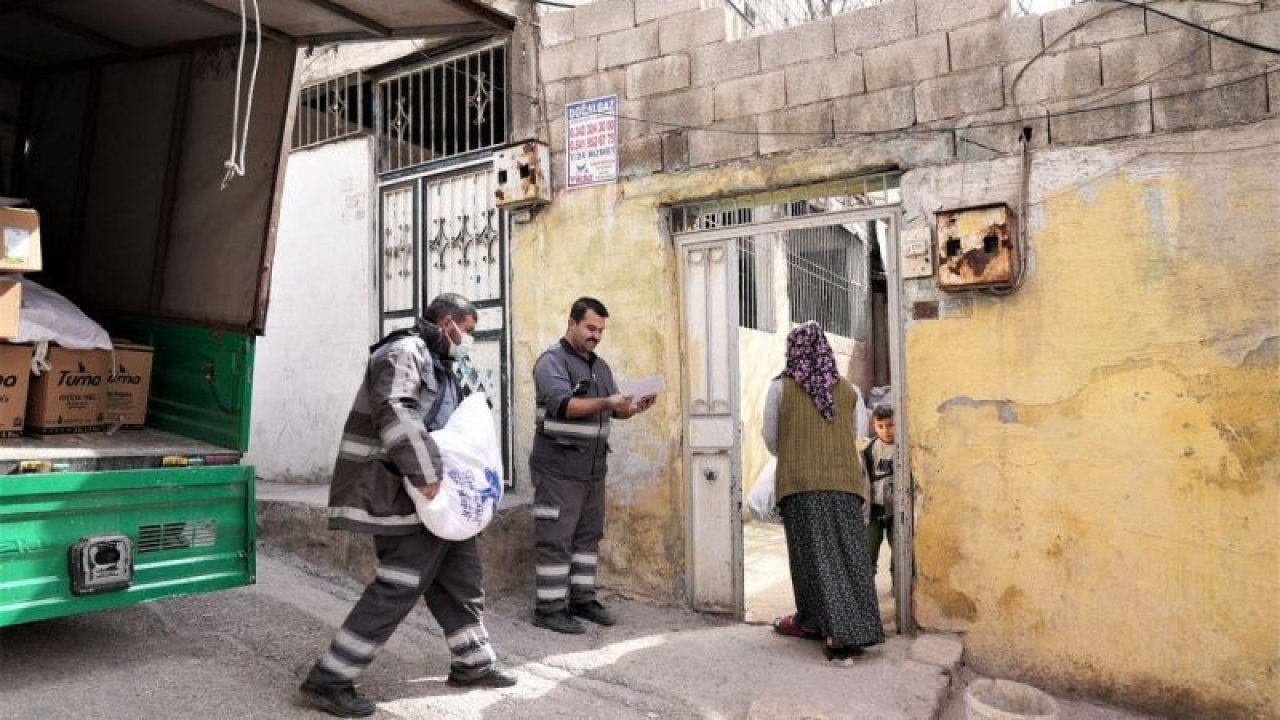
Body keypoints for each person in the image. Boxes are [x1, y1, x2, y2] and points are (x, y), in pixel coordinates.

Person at [300, 293, 516, 718]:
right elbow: (396, 411)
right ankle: (330, 679)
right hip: (403, 491)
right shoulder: (403, 352)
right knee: (400, 584)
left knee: (461, 576)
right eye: (467, 330)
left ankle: (473, 662)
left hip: (436, 499)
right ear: (446, 321)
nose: (468, 340)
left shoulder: (447, 364)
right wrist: (427, 474)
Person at [529, 297, 655, 634]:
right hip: (557, 469)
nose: (596, 335)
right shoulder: (551, 362)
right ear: (571, 323)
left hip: (592, 471)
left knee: (587, 538)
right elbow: (562, 405)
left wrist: (636, 406)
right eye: (590, 328)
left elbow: (616, 410)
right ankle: (549, 608)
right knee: (556, 538)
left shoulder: (601, 367)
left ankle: (582, 599)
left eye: (600, 330)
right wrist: (606, 401)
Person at [762, 321, 884, 662]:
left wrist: (799, 449)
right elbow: (856, 436)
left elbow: (772, 440)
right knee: (848, 556)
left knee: (811, 558)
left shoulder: (780, 389)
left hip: (800, 485)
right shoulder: (849, 392)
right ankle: (823, 623)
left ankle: (834, 632)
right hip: (845, 483)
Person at [863, 404, 896, 576]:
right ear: (874, 426)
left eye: (890, 425)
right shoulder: (868, 450)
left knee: (900, 551)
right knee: (868, 549)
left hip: (897, 509)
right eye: (880, 426)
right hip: (874, 508)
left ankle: (898, 587)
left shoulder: (905, 448)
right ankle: (866, 593)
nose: (886, 431)